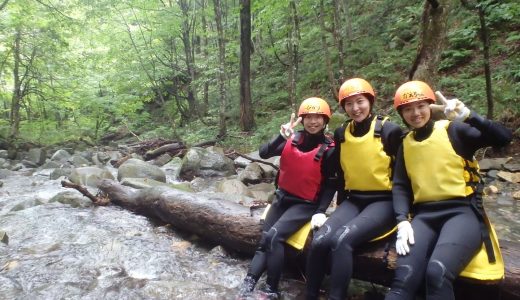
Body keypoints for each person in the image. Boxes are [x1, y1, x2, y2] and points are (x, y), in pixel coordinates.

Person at [385, 81, 512, 300]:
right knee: (403, 277)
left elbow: (503, 138)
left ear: (430, 106)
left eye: (420, 106)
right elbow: (400, 186)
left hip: (462, 213)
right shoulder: (405, 144)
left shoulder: (453, 130)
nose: (415, 113)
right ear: (401, 113)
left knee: (437, 272)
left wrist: (469, 116)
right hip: (424, 216)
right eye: (408, 109)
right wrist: (402, 220)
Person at [305, 78, 403, 300]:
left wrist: (405, 217)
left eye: (360, 102)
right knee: (320, 241)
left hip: (384, 202)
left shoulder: (389, 130)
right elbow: (338, 176)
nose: (355, 108)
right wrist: (324, 210)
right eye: (349, 104)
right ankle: (309, 295)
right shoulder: (341, 134)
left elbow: (405, 176)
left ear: (370, 101)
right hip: (354, 199)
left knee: (342, 240)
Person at [238, 97, 337, 299]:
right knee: (264, 241)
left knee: (275, 237)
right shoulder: (293, 137)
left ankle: (272, 290)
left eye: (318, 117)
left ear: (325, 120)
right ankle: (248, 284)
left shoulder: (330, 149)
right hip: (282, 198)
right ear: (302, 119)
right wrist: (280, 136)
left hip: (306, 204)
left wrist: (320, 211)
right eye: (308, 117)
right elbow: (264, 153)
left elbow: (330, 184)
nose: (313, 122)